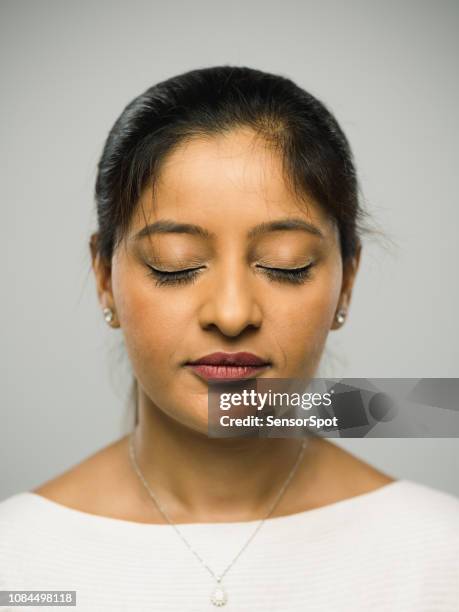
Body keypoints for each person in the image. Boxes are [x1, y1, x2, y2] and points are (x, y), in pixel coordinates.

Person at [0, 65, 458, 612]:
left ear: (347, 281)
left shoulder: (440, 555)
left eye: (286, 265)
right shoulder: (16, 559)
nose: (233, 313)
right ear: (104, 278)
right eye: (176, 265)